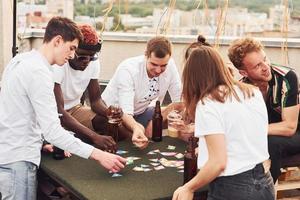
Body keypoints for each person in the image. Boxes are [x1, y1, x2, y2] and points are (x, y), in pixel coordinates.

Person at [0, 17, 126, 200]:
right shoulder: (39, 72)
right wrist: (98, 155)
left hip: (8, 152)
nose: (73, 55)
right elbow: (53, 130)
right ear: (57, 41)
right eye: (72, 48)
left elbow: (13, 112)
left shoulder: (19, 60)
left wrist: (41, 141)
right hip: (18, 161)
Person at [172, 45, 274, 200]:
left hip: (233, 188)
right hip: (265, 182)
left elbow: (218, 162)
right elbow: (242, 136)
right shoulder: (252, 91)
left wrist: (188, 187)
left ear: (192, 77)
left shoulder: (207, 104)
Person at [228, 37, 300, 183]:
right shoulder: (242, 89)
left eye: (265, 59)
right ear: (244, 73)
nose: (266, 66)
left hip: (297, 132)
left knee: (270, 142)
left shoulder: (286, 77)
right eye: (257, 66)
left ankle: (264, 189)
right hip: (268, 135)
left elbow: (290, 127)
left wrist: (251, 129)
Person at [52, 24, 128, 153]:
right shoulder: (59, 64)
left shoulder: (93, 62)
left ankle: (136, 145)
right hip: (54, 115)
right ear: (72, 49)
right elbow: (59, 112)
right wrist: (95, 137)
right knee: (80, 139)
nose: (87, 61)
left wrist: (109, 112)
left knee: (110, 122)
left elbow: (96, 101)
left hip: (75, 110)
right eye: (82, 56)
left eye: (91, 57)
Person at [101, 36, 182, 148]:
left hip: (141, 112)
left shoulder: (171, 65)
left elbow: (179, 101)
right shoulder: (128, 69)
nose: (158, 70)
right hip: (113, 117)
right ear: (146, 55)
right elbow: (126, 111)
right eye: (154, 64)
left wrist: (159, 119)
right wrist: (136, 127)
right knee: (135, 139)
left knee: (164, 117)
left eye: (163, 65)